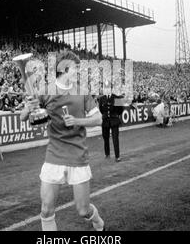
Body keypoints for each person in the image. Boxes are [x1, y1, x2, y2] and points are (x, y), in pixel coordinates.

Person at [20, 51, 105, 231]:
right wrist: (29, 108)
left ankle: (98, 222)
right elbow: (24, 117)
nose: (78, 71)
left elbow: (98, 120)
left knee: (83, 211)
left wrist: (77, 121)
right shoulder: (46, 90)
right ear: (65, 68)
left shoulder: (82, 92)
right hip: (54, 155)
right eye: (75, 68)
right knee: (46, 209)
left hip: (77, 155)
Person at [98, 92, 124, 162]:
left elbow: (120, 110)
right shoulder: (101, 98)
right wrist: (105, 115)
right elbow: (101, 109)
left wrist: (115, 114)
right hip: (105, 120)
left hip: (114, 120)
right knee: (105, 137)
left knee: (115, 138)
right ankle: (107, 154)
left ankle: (117, 156)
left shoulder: (117, 97)